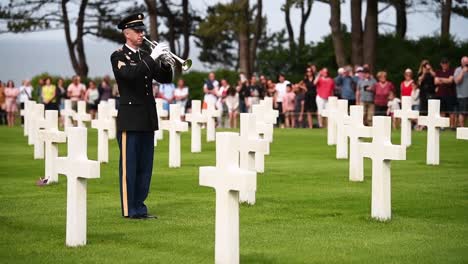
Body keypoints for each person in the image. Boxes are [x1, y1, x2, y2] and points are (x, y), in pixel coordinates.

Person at [111, 13, 174, 219]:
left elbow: (164, 78)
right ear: (126, 33)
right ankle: (129, 209)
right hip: (130, 118)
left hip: (147, 117)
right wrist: (153, 57)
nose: (142, 34)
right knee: (129, 168)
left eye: (142, 30)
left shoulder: (144, 56)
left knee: (145, 167)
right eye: (137, 31)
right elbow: (130, 75)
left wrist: (166, 62)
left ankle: (140, 206)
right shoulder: (119, 56)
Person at [435, 58, 456, 129]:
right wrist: (445, 79)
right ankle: (442, 126)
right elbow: (436, 82)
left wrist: (441, 79)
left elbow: (450, 81)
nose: (444, 64)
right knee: (442, 110)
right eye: (443, 63)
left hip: (450, 94)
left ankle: (452, 126)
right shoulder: (438, 71)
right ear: (441, 64)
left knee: (451, 111)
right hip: (440, 94)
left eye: (446, 63)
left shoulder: (452, 71)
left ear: (448, 63)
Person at [454, 56, 468, 127]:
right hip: (462, 95)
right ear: (461, 62)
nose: (466, 64)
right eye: (465, 62)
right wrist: (463, 72)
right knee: (462, 113)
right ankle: (461, 128)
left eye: (467, 62)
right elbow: (456, 81)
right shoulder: (458, 70)